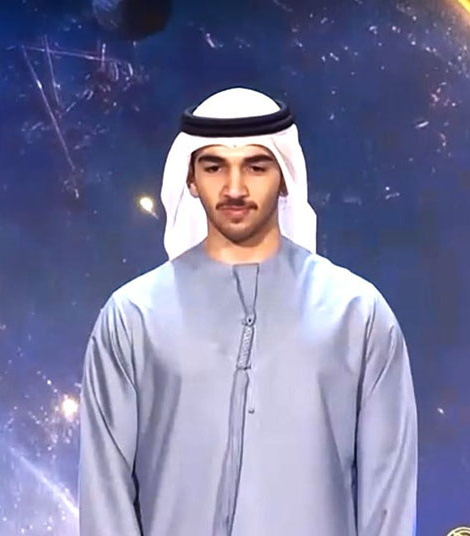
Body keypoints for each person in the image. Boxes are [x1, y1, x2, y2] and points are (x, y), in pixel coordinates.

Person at [78, 87, 417, 535]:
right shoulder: (133, 317)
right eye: (214, 166)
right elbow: (105, 495)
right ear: (190, 179)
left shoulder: (357, 314)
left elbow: (387, 495)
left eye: (256, 167)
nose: (234, 188)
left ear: (284, 176)